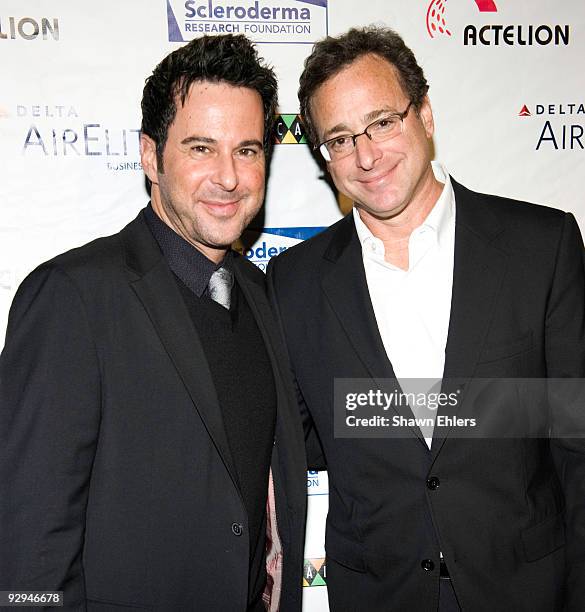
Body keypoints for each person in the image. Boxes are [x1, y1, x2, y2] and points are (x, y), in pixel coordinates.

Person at [267, 26, 585, 611]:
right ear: (323, 156)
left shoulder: (542, 246)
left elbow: (576, 441)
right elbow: (297, 444)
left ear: (426, 114)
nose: (367, 156)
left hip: (526, 590)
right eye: (340, 138)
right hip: (379, 594)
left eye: (383, 122)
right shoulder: (294, 283)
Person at [0, 34, 307, 612]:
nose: (229, 177)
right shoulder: (72, 298)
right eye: (200, 148)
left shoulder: (262, 295)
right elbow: (28, 541)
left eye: (247, 149)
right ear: (150, 155)